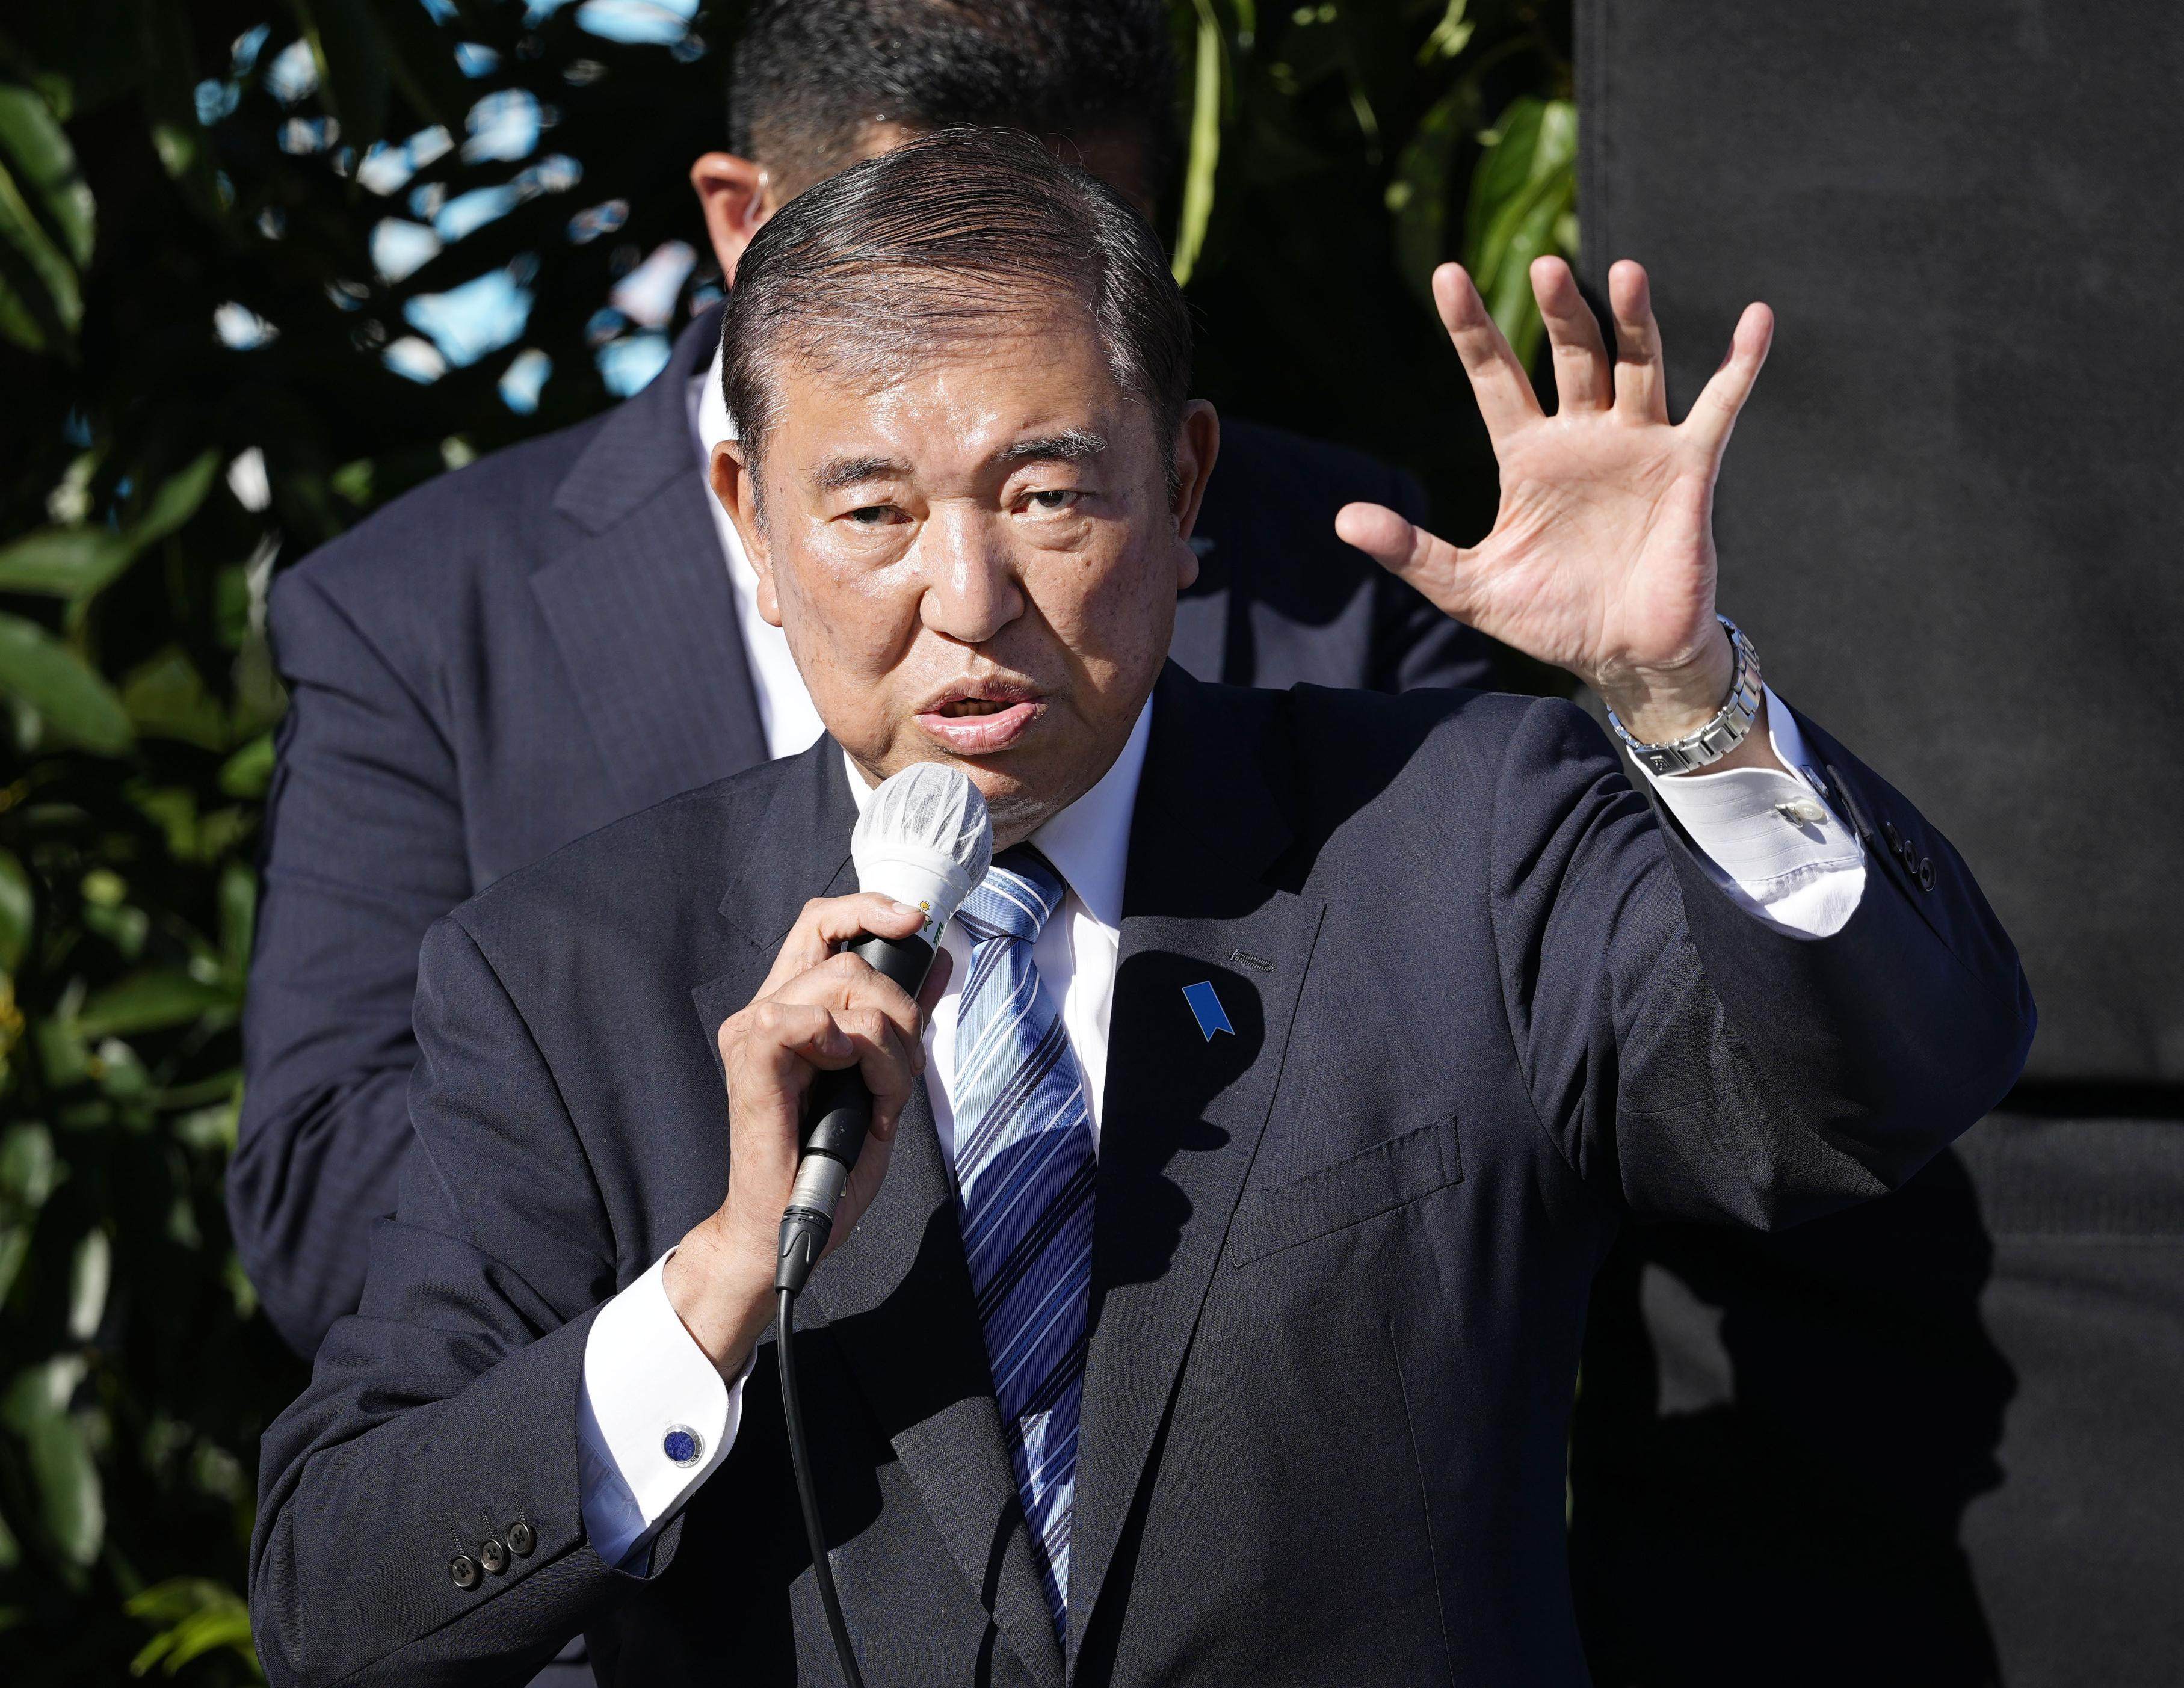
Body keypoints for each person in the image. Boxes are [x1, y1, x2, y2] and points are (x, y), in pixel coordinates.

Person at [248, 130, 2031, 1687]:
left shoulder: (1450, 830)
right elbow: (341, 1596)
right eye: (869, 507)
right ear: (750, 519)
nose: (969, 596)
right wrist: (710, 1284)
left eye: (1046, 492)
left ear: (1179, 487)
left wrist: (1678, 695)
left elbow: (1881, 1080)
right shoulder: (572, 969)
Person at [227, 0, 1487, 1363]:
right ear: (738, 217)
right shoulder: (418, 611)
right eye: (919, 238)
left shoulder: (1345, 558)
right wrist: (761, 1258)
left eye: (1085, 240)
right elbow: (325, 1195)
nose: (972, 592)